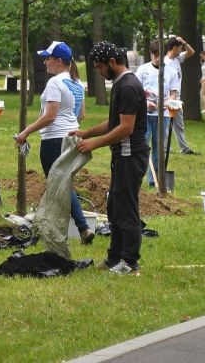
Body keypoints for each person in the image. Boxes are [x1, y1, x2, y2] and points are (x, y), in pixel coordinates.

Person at [73, 42, 147, 276]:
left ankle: (130, 262)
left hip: (130, 155)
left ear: (112, 63)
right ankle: (114, 257)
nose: (98, 72)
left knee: (127, 210)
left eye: (99, 67)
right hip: (120, 155)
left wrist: (94, 143)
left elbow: (125, 128)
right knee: (114, 208)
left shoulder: (128, 86)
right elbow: (113, 123)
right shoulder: (119, 84)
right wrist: (87, 133)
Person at [15, 41, 94, 244]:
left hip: (54, 141)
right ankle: (77, 228)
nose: (45, 62)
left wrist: (25, 132)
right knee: (64, 183)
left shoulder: (54, 83)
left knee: (59, 185)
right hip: (72, 138)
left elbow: (50, 116)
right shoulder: (77, 83)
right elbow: (81, 114)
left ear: (59, 61)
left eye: (48, 58)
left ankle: (76, 228)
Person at [135, 40, 179, 186]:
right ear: (151, 54)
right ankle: (137, 177)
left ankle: (154, 180)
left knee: (159, 148)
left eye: (160, 55)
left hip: (163, 115)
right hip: (145, 115)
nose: (157, 58)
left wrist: (168, 103)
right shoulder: (143, 70)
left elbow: (173, 92)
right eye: (155, 55)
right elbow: (136, 91)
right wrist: (146, 103)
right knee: (142, 146)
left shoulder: (171, 72)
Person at [164, 36, 197, 155]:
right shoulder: (165, 63)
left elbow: (191, 52)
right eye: (180, 47)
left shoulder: (178, 59)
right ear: (174, 48)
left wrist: (184, 42)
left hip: (177, 99)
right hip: (168, 98)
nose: (181, 49)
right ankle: (166, 148)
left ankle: (184, 148)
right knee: (166, 124)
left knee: (179, 125)